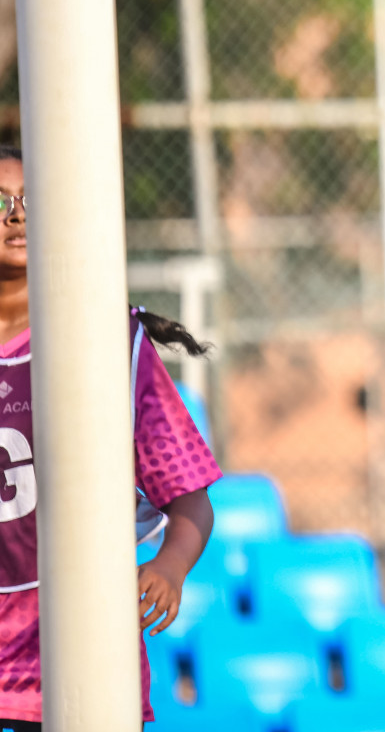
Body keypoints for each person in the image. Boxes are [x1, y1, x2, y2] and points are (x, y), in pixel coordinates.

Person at [0, 146, 221, 730]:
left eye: (29, 202)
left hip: (78, 668)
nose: (16, 216)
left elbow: (190, 497)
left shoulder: (106, 342)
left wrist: (169, 567)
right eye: (0, 203)